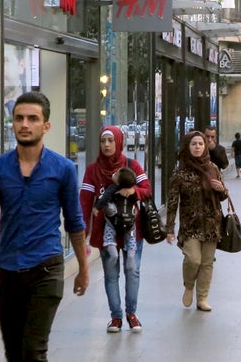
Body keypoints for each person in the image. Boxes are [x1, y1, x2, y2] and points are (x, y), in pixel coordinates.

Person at [0, 92, 89, 361]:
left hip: (46, 269)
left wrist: (83, 268)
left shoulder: (63, 169)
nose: (24, 124)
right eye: (19, 118)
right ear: (12, 123)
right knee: (14, 351)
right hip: (8, 272)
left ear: (46, 126)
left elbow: (75, 222)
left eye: (33, 118)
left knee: (33, 350)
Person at [80, 126, 151, 334]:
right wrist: (82, 234)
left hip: (132, 229)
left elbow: (147, 190)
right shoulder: (93, 170)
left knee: (132, 270)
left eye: (111, 140)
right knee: (111, 274)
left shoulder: (132, 165)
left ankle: (131, 313)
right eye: (103, 141)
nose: (107, 145)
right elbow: (85, 202)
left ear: (119, 142)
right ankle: (116, 317)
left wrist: (133, 191)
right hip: (106, 231)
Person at [166, 131, 229, 312]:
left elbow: (224, 196)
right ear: (187, 146)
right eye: (194, 144)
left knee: (207, 262)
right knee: (194, 259)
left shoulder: (213, 168)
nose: (198, 147)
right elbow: (172, 202)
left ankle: (202, 298)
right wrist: (169, 228)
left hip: (211, 223)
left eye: (200, 144)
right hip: (190, 225)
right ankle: (188, 285)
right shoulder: (180, 172)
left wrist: (221, 189)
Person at [94, 167, 138, 262]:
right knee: (131, 238)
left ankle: (113, 255)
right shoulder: (132, 191)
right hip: (130, 222)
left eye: (116, 174)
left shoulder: (113, 188)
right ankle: (131, 255)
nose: (114, 174)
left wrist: (96, 208)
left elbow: (104, 198)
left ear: (119, 181)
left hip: (113, 221)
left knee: (109, 237)